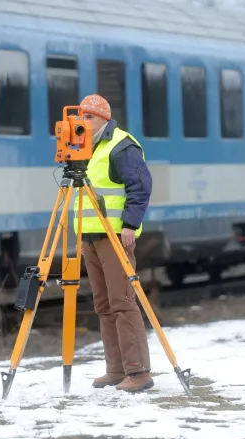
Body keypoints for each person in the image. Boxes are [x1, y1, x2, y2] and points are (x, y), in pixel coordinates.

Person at [73, 94, 154, 393]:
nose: (83, 121)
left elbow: (140, 185)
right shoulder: (83, 148)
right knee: (104, 305)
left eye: (89, 116)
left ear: (103, 119)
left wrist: (130, 224)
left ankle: (139, 372)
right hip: (91, 236)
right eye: (80, 116)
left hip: (115, 234)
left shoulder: (121, 145)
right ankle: (116, 370)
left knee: (122, 302)